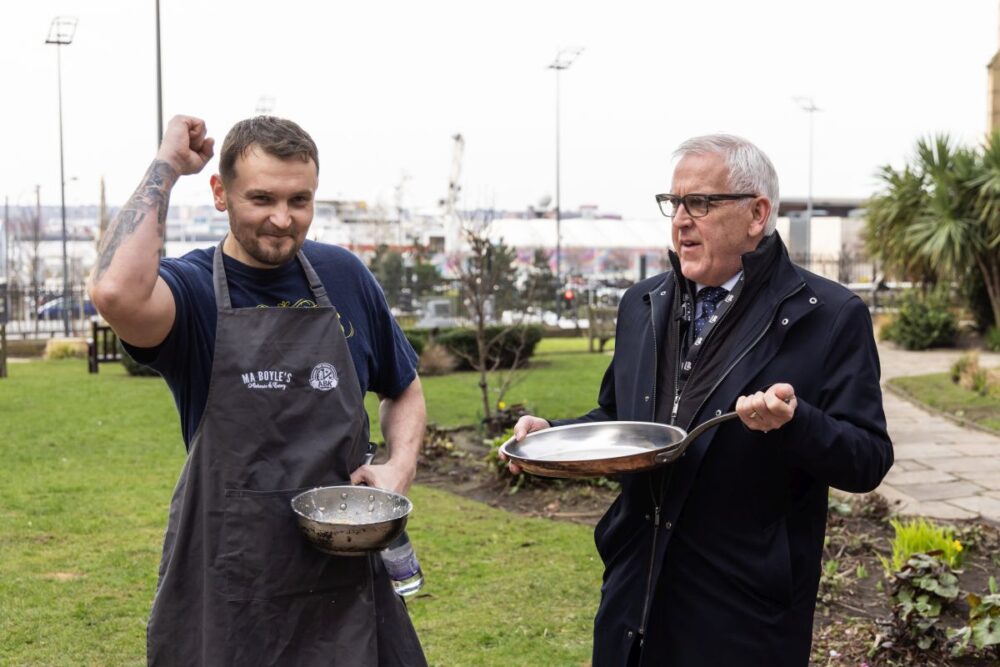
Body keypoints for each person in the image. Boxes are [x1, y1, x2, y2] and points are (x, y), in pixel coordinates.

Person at [508, 134, 893, 666]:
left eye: (701, 203)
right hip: (631, 596)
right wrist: (553, 434)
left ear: (757, 213)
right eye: (674, 203)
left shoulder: (828, 316)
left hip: (742, 616)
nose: (681, 219)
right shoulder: (641, 304)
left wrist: (795, 423)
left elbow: (868, 458)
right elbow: (623, 420)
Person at [88, 115, 427, 666]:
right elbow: (114, 292)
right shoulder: (192, 290)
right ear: (220, 193)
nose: (282, 219)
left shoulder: (344, 275)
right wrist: (168, 167)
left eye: (300, 200)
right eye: (262, 197)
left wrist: (400, 466)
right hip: (233, 584)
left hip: (344, 574)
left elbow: (404, 386)